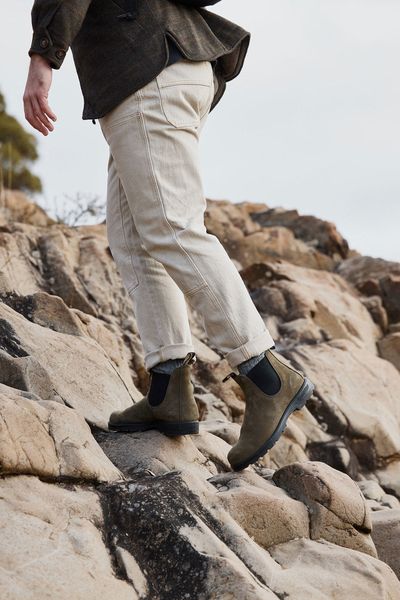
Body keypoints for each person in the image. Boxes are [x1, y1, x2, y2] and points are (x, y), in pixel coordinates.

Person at [24, 0, 314, 471]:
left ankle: (266, 375)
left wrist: (44, 55)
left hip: (148, 69)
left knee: (173, 228)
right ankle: (168, 385)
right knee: (135, 239)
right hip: (162, 70)